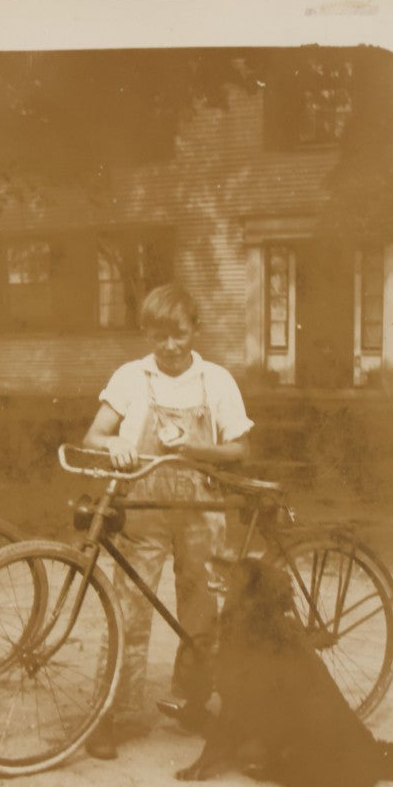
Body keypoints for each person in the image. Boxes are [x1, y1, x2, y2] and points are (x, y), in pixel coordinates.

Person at [82, 284, 253, 760]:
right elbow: (94, 434)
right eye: (160, 335)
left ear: (194, 330)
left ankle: (191, 701)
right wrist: (113, 445)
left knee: (202, 610)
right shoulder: (130, 377)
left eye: (178, 333)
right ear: (148, 335)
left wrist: (196, 451)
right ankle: (110, 715)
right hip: (144, 511)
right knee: (129, 610)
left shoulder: (216, 380)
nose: (171, 345)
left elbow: (240, 449)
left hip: (202, 511)